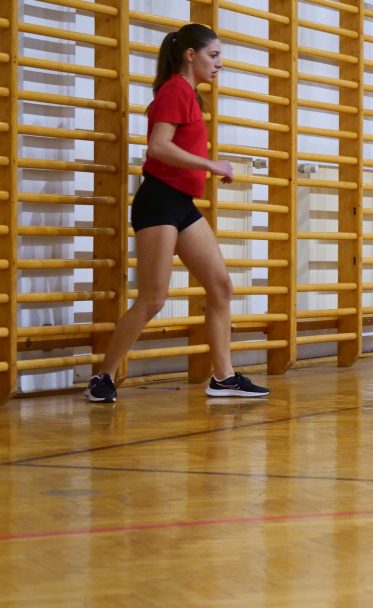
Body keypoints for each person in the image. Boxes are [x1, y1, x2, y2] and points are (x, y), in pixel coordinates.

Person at [85, 24, 269, 403]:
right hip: (159, 201)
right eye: (213, 55)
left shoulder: (188, 93)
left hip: (182, 204)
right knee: (153, 298)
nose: (219, 63)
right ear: (190, 55)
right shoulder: (175, 89)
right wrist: (211, 164)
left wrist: (205, 167)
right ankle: (103, 377)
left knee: (220, 286)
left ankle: (224, 378)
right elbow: (158, 147)